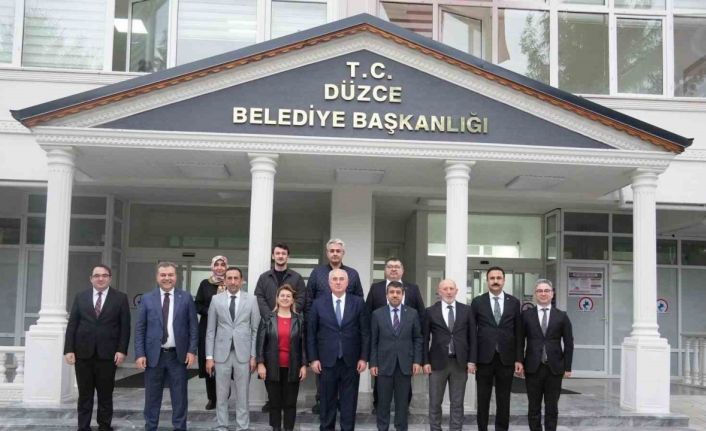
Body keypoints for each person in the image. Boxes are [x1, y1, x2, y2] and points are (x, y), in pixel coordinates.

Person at [64, 264, 130, 431]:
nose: (100, 278)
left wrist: (122, 350)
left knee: (105, 394)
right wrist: (69, 349)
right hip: (83, 354)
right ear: (91, 279)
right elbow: (72, 325)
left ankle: (104, 426)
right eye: (97, 275)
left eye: (104, 275)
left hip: (108, 354)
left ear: (110, 278)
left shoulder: (120, 298)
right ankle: (83, 426)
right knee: (84, 394)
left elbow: (125, 327)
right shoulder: (80, 297)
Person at [134, 261, 198, 431]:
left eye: (170, 274)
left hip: (178, 356)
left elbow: (193, 327)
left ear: (176, 277)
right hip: (153, 356)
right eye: (163, 275)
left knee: (180, 397)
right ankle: (150, 427)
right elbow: (140, 328)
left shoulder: (186, 298)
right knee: (152, 397)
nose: (167, 278)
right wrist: (140, 353)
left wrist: (192, 350)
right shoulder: (147, 298)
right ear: (157, 277)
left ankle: (179, 427)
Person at [307, 268, 370, 431]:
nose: (338, 282)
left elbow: (365, 332)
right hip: (326, 361)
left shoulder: (358, 302)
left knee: (349, 402)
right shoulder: (318, 303)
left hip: (351, 361)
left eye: (341, 279)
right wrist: (313, 359)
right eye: (334, 279)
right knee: (327, 402)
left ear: (347, 282)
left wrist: (364, 358)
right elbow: (311, 333)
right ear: (329, 283)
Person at [305, 238, 364, 413]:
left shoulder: (352, 274)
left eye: (338, 251)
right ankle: (321, 402)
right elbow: (309, 300)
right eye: (332, 251)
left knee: (347, 388)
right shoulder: (317, 273)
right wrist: (312, 325)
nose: (335, 253)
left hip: (347, 335)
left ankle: (342, 407)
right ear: (327, 253)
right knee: (324, 381)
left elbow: (359, 299)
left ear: (343, 253)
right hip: (324, 332)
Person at [366, 257, 425, 414]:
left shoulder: (413, 289)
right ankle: (379, 407)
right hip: (383, 349)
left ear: (402, 270)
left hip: (405, 350)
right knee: (380, 383)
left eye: (397, 266)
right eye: (390, 266)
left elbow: (421, 316)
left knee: (405, 383)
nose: (393, 269)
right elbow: (367, 315)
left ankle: (404, 408)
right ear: (385, 270)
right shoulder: (376, 288)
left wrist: (418, 356)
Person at [205, 266, 261, 431]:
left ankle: (242, 426)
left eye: (236, 278)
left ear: (242, 280)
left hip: (243, 354)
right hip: (221, 354)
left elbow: (255, 330)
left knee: (242, 393)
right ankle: (222, 425)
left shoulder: (251, 300)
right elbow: (210, 330)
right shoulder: (216, 300)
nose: (233, 281)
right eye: (229, 278)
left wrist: (253, 355)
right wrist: (209, 357)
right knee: (221, 393)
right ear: (224, 280)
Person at [254, 243, 307, 413]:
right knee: (271, 361)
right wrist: (270, 317)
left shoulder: (296, 278)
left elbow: (301, 298)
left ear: (287, 257)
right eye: (277, 253)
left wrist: (291, 314)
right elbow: (259, 297)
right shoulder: (264, 277)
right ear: (273, 256)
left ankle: (285, 403)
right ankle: (273, 400)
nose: (280, 256)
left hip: (290, 322)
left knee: (288, 363)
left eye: (283, 253)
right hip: (269, 325)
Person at [470, 266, 523, 431]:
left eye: (499, 278)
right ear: (487, 281)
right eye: (492, 278)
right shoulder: (478, 302)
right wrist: (472, 359)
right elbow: (472, 332)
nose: (495, 281)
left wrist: (519, 359)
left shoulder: (514, 302)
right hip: (483, 358)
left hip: (506, 358)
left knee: (504, 399)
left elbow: (519, 332)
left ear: (504, 280)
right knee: (483, 399)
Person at [423, 279, 476, 431]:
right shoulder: (430, 311)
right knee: (435, 402)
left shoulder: (467, 310)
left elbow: (473, 337)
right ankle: (435, 428)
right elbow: (424, 338)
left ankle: (456, 429)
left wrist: (472, 360)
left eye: (451, 288)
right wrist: (425, 361)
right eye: (445, 289)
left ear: (456, 291)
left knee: (457, 402)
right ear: (439, 292)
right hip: (437, 364)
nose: (448, 291)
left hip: (460, 363)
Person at [370, 281, 423, 431]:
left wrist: (417, 361)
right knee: (382, 403)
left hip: (405, 365)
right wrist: (373, 363)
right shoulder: (377, 314)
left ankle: (401, 428)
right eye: (392, 292)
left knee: (402, 404)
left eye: (398, 292)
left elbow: (418, 338)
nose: (395, 295)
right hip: (383, 365)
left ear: (402, 295)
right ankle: (382, 428)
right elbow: (373, 341)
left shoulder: (412, 313)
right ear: (387, 295)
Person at [521, 279, 574, 431]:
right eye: (540, 291)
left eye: (546, 291)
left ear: (552, 294)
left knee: (552, 407)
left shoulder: (562, 316)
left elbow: (569, 343)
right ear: (535, 294)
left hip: (555, 369)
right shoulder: (526, 315)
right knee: (533, 407)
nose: (543, 294)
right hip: (533, 368)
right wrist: (519, 361)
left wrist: (567, 367)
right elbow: (519, 340)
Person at [256, 284, 308, 431]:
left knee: (290, 403)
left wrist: (304, 365)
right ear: (277, 299)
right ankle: (276, 428)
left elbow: (303, 345)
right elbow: (260, 342)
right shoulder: (268, 318)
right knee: (274, 402)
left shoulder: (299, 320)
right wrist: (260, 363)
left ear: (292, 300)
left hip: (293, 367)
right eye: (282, 296)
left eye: (288, 296)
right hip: (272, 367)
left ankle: (289, 428)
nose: (285, 298)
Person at [194, 255, 228, 410]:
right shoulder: (205, 284)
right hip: (208, 326)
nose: (219, 267)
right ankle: (212, 398)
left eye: (222, 264)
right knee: (210, 362)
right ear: (212, 266)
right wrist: (212, 312)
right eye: (217, 264)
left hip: (226, 328)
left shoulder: (231, 282)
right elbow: (197, 305)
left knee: (225, 362)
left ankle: (224, 396)